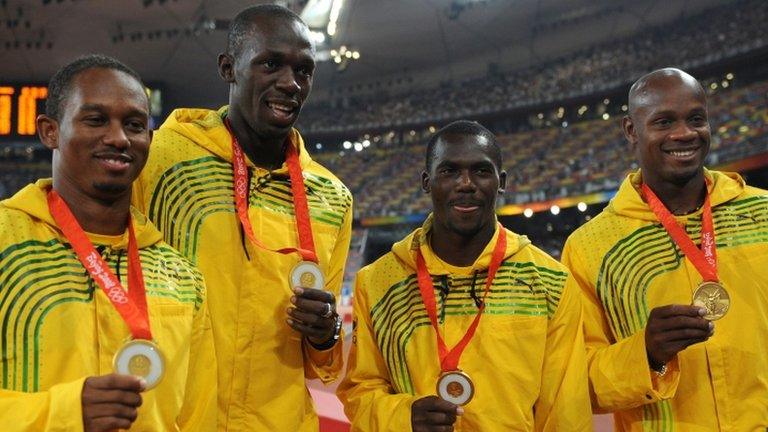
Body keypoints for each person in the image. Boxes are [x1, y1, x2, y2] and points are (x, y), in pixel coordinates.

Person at [132, 5, 352, 431]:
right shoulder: (160, 161)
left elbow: (321, 363)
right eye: (271, 64)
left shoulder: (332, 198)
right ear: (228, 68)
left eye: (304, 70)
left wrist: (324, 334)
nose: (290, 83)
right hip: (176, 420)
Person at [0, 54, 216, 431]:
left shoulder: (182, 277)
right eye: (95, 119)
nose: (118, 138)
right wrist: (64, 412)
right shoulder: (6, 243)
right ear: (50, 131)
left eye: (134, 124)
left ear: (148, 139)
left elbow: (198, 417)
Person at [337, 120, 592, 431]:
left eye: (481, 171)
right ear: (427, 181)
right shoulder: (377, 281)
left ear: (502, 182)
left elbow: (565, 411)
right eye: (449, 171)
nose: (466, 183)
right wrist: (404, 416)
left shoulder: (551, 281)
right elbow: (359, 394)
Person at [561, 68, 768, 430]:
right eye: (664, 121)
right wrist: (646, 353)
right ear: (631, 130)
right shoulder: (590, 248)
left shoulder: (762, 214)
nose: (684, 133)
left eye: (696, 119)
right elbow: (579, 382)